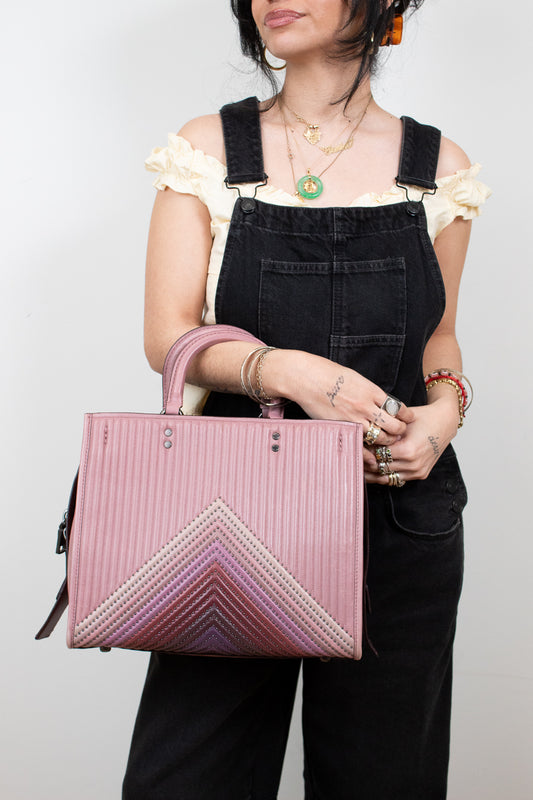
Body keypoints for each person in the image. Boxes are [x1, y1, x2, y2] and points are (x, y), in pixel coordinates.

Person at [122, 1, 490, 798]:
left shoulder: (437, 165)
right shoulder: (208, 148)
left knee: (384, 781)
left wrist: (445, 414)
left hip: (395, 516)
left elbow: (439, 338)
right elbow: (168, 335)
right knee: (185, 781)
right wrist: (286, 372)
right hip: (230, 513)